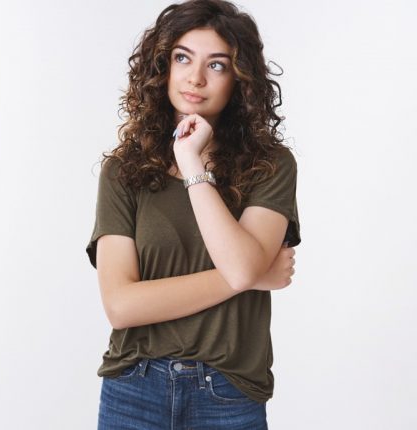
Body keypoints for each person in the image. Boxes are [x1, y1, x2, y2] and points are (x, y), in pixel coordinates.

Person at [85, 0, 301, 428]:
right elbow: (121, 306)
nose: (195, 78)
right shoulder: (123, 171)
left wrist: (190, 162)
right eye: (183, 58)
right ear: (162, 66)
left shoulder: (270, 165)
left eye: (217, 65)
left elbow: (239, 267)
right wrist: (252, 276)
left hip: (228, 392)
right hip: (134, 385)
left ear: (240, 81)